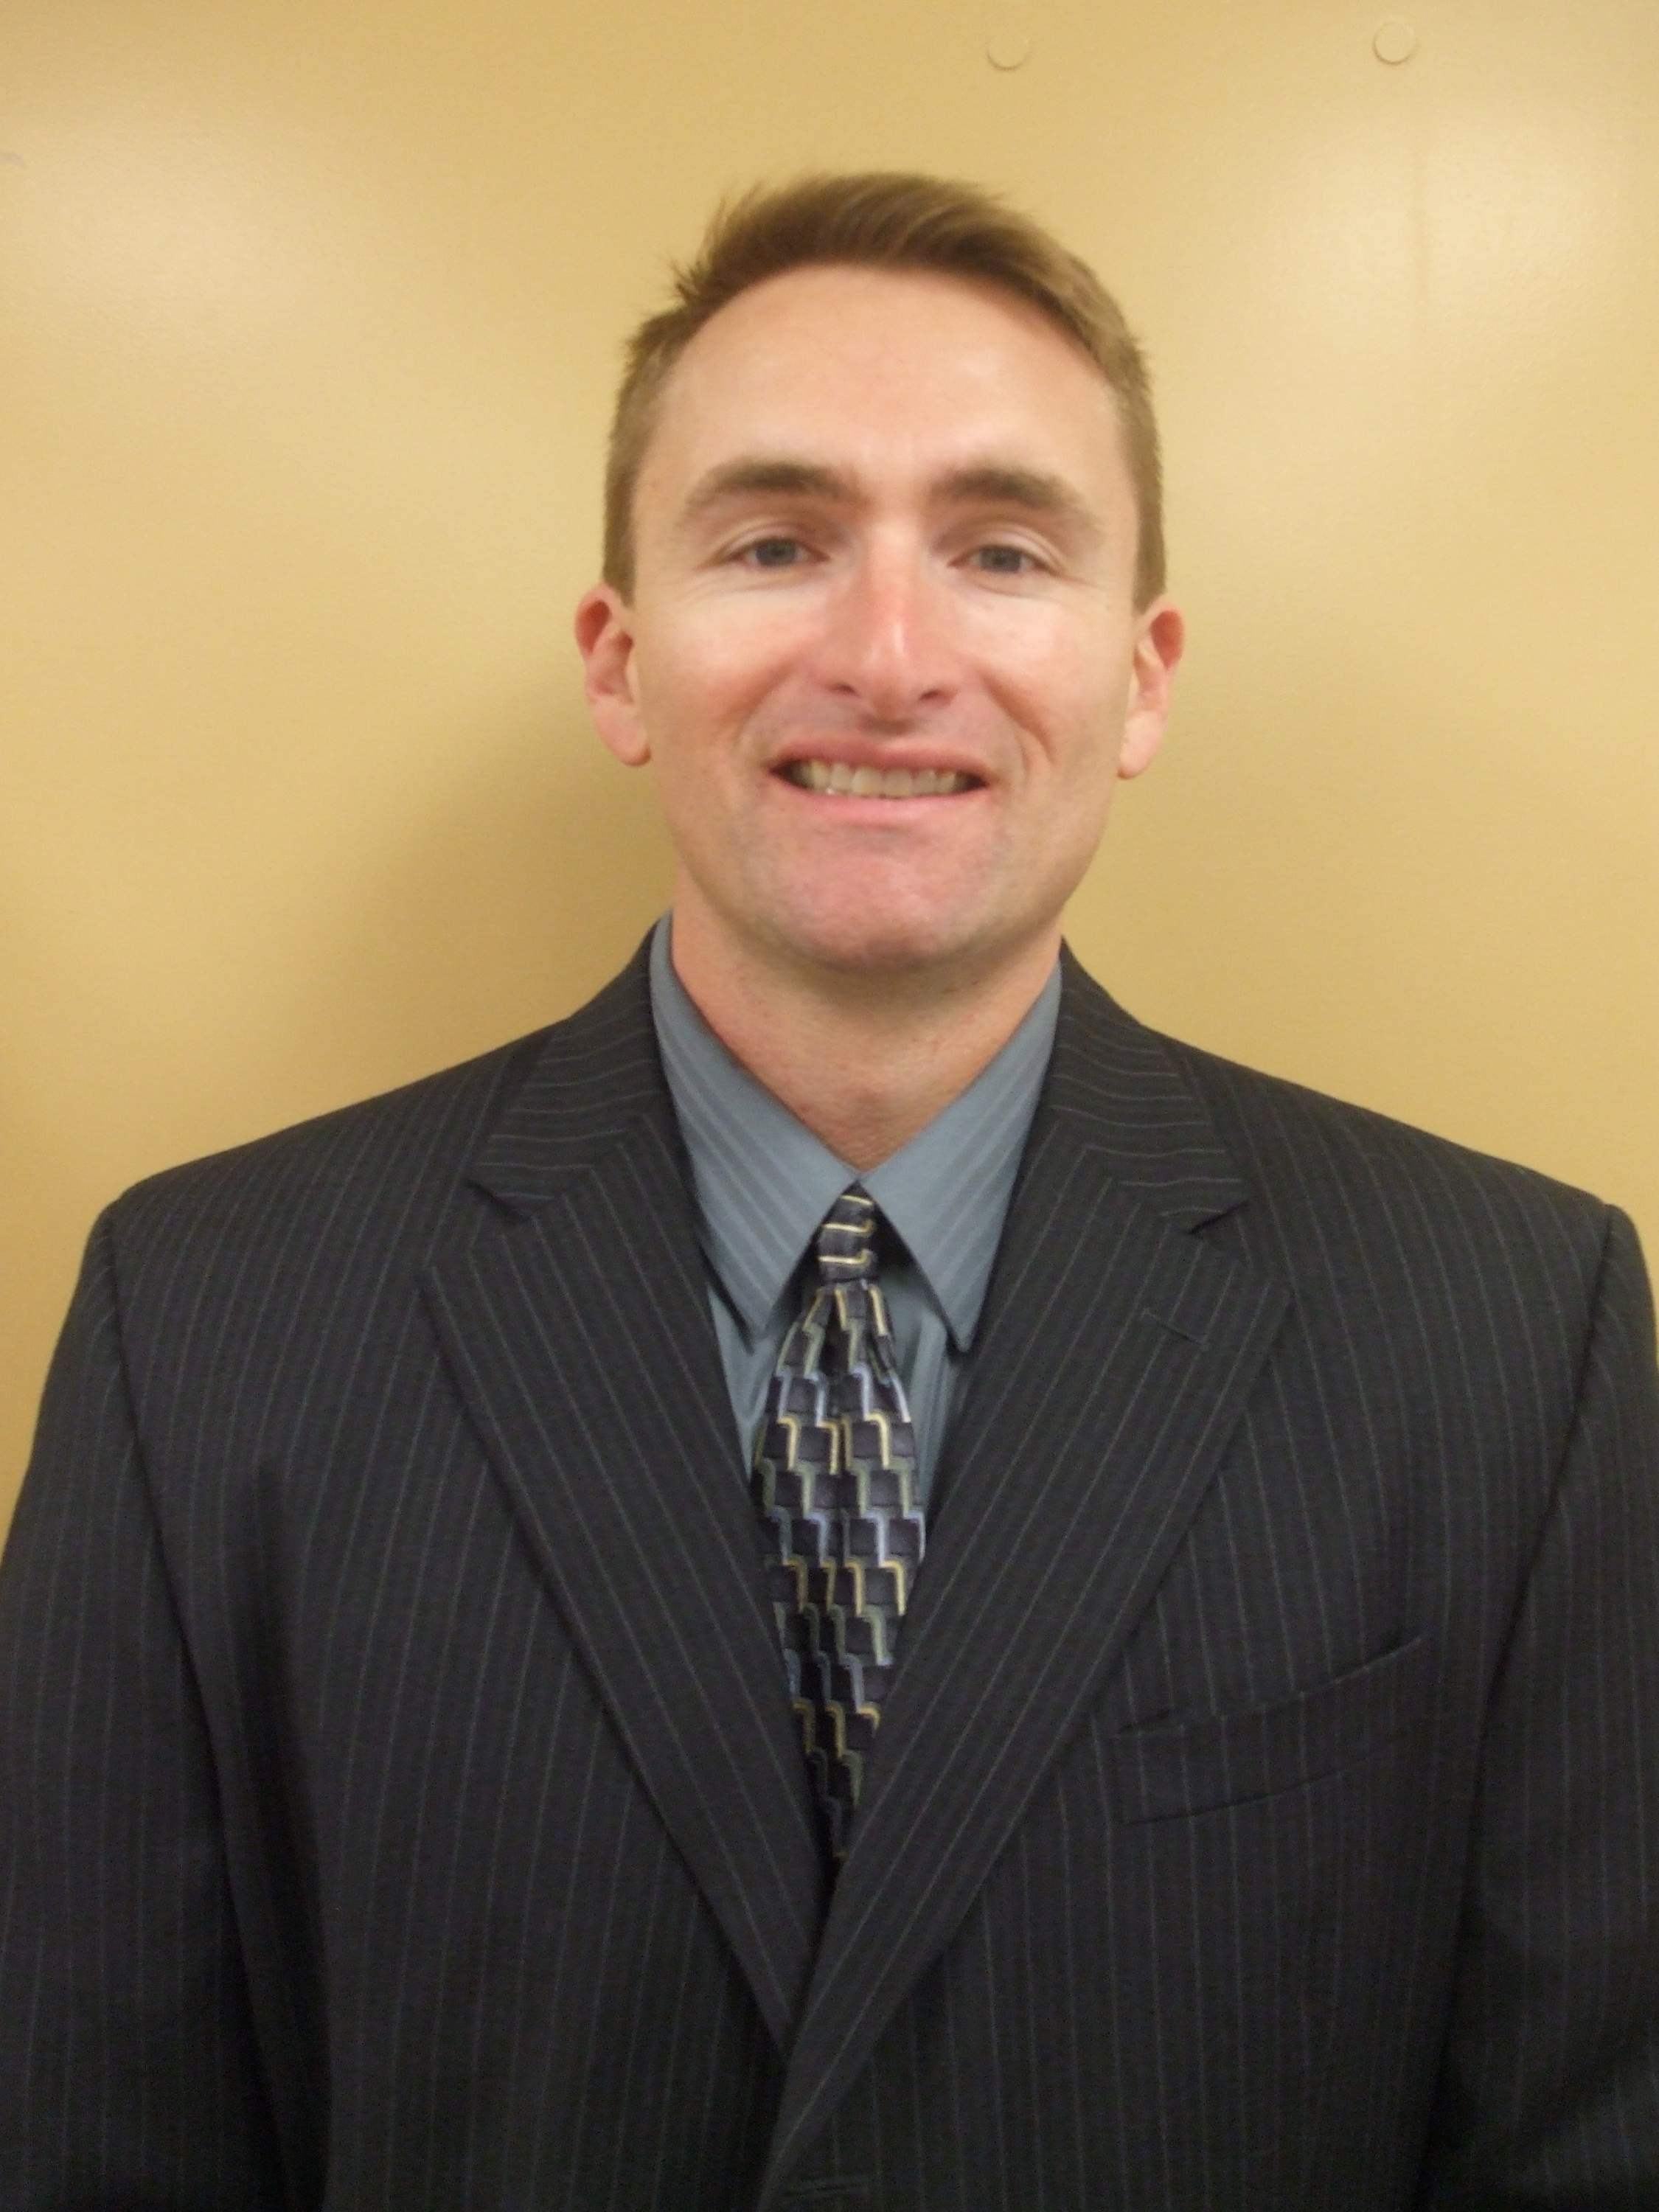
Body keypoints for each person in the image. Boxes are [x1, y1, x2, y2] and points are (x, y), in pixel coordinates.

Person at [2, 171, 1657, 2212]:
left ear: (1140, 677)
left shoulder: (1515, 1335)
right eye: (776, 542)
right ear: (621, 662)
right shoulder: (202, 1325)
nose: (888, 656)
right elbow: (84, 2135)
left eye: (1001, 550)